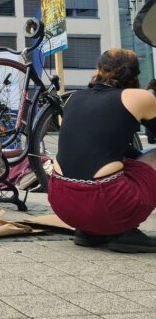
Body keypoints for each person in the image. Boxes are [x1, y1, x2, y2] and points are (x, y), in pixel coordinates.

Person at [49, 49, 156, 253]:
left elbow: (100, 145)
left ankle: (90, 232)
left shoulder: (75, 97)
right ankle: (124, 232)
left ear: (98, 70)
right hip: (107, 202)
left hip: (63, 203)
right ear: (135, 74)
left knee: (117, 159)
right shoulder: (139, 97)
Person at [147, 79, 156, 144]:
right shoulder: (151, 91)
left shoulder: (149, 90)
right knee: (151, 124)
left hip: (150, 110)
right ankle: (151, 140)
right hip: (150, 110)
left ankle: (151, 140)